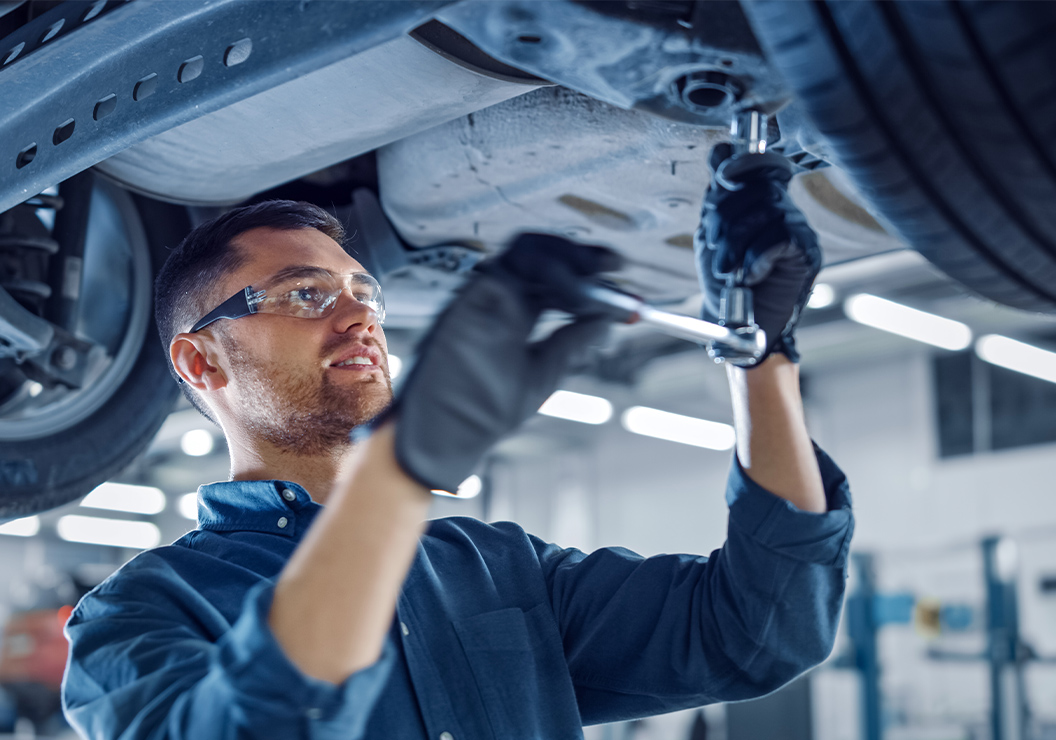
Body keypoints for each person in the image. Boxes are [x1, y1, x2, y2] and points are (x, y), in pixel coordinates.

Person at [61, 146, 854, 739]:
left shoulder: (501, 570)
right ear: (199, 360)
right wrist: (399, 472)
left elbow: (759, 632)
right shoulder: (135, 615)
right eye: (306, 294)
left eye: (363, 293)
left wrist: (762, 352)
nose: (358, 316)